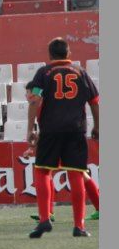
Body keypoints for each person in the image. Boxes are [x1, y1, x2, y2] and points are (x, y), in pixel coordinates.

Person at [26, 38, 99, 239]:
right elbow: (94, 101)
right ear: (69, 54)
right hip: (76, 130)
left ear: (50, 55)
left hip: (50, 130)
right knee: (76, 175)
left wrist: (30, 128)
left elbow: (34, 101)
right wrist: (97, 127)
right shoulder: (81, 72)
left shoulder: (43, 73)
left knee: (42, 171)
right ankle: (79, 226)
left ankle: (44, 220)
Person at [25, 80, 100, 223]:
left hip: (63, 142)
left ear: (33, 93)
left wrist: (33, 146)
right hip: (68, 138)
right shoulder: (43, 104)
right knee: (74, 175)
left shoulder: (42, 104)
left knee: (53, 173)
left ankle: (49, 213)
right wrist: (32, 147)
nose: (26, 96)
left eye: (28, 92)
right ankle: (49, 213)